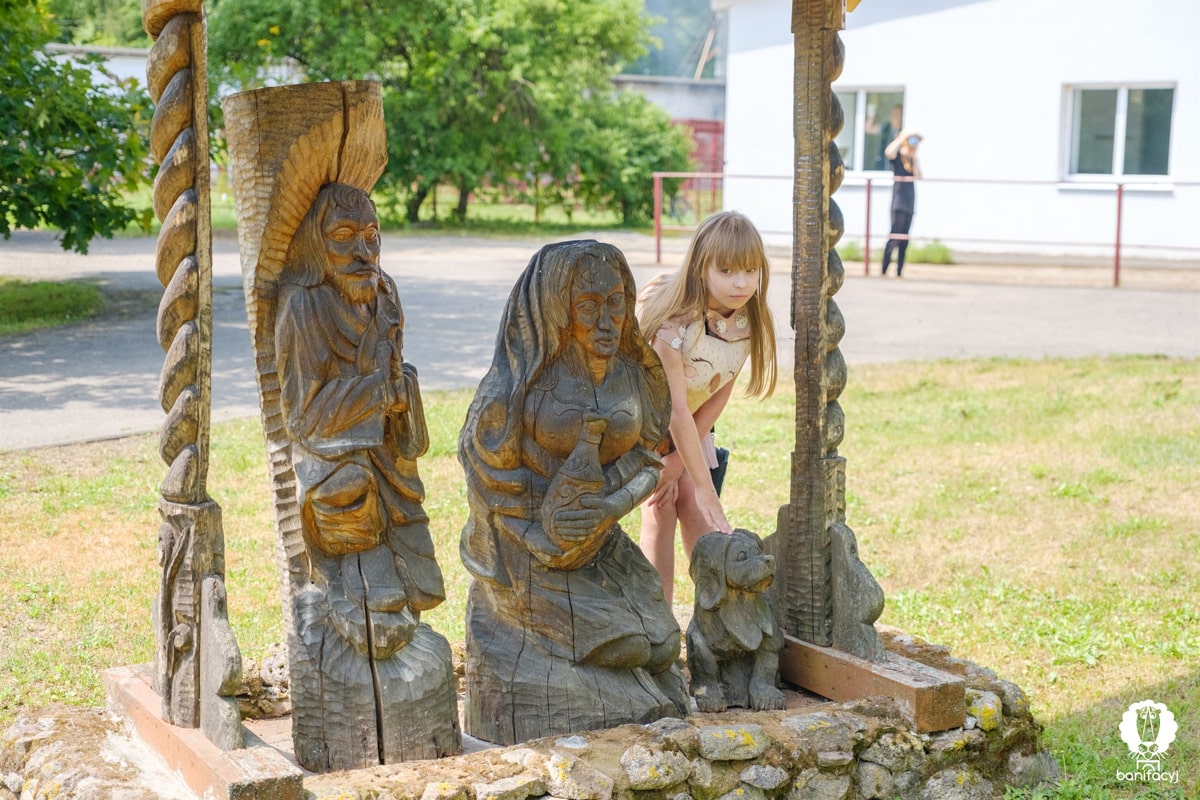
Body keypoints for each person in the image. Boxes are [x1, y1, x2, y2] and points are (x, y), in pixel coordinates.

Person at [459, 239, 688, 743]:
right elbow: (487, 479)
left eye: (615, 303)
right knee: (627, 645)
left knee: (662, 642)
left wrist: (611, 506)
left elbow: (648, 460)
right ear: (557, 311)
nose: (606, 322)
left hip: (599, 543)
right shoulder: (518, 390)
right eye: (588, 306)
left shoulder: (636, 376)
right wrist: (535, 537)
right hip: (529, 552)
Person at [275, 182, 446, 659]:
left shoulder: (384, 293)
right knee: (349, 489)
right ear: (316, 243)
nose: (363, 252)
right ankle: (354, 586)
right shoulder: (302, 305)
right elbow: (302, 415)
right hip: (330, 456)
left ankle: (390, 586)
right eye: (344, 236)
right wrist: (377, 392)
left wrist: (400, 390)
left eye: (372, 236)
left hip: (385, 449)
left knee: (413, 558)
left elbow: (394, 371)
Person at [636, 210, 778, 605]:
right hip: (648, 427)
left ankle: (716, 618)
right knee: (659, 508)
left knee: (697, 512)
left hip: (693, 428)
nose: (740, 282)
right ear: (701, 267)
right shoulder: (674, 322)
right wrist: (699, 484)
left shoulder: (749, 319)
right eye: (727, 269)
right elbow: (674, 408)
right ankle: (658, 624)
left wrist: (685, 469)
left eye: (750, 270)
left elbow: (720, 387)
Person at [881, 129, 923, 277]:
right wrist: (902, 138)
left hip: (909, 203)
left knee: (905, 240)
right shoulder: (897, 158)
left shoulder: (912, 161)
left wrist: (915, 157)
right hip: (898, 203)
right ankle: (884, 269)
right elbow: (889, 152)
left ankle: (899, 271)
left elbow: (919, 177)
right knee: (894, 237)